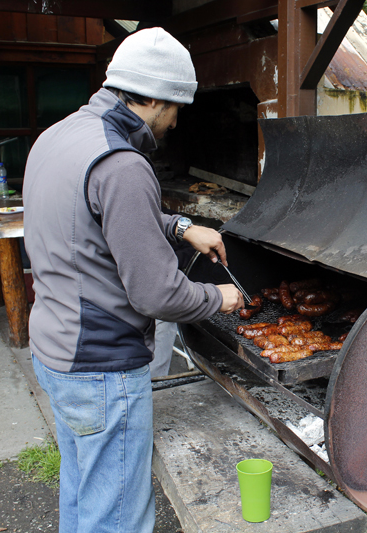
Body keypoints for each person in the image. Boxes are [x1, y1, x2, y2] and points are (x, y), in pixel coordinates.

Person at [22, 27, 244, 532]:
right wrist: (219, 296)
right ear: (152, 98)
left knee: (83, 495)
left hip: (54, 350)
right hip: (100, 366)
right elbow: (157, 293)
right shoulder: (124, 164)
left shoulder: (57, 137)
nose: (174, 121)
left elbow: (93, 221)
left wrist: (182, 227)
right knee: (118, 518)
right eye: (175, 107)